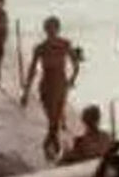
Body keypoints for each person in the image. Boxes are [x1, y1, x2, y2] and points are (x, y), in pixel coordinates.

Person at [20, 16, 81, 162]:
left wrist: (72, 80)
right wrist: (26, 92)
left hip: (61, 85)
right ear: (45, 30)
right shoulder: (40, 48)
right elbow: (32, 70)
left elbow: (76, 64)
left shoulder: (65, 44)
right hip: (47, 86)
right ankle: (53, 152)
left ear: (57, 29)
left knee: (55, 122)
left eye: (53, 28)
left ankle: (52, 153)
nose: (51, 32)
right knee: (53, 122)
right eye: (49, 29)